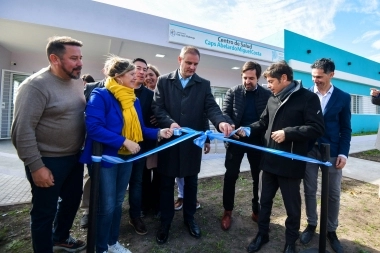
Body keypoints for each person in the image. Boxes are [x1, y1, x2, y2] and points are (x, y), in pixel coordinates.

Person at [80, 55, 172, 253]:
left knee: (117, 203)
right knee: (106, 206)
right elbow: (94, 127)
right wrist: (123, 141)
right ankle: (101, 246)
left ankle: (112, 243)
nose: (137, 76)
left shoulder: (133, 99)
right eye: (132, 73)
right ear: (119, 76)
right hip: (106, 160)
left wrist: (158, 132)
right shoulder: (100, 95)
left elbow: (139, 128)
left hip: (127, 159)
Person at [11, 36, 87, 253]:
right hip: (47, 161)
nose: (80, 63)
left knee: (72, 201)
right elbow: (22, 131)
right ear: (54, 58)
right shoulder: (35, 86)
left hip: (73, 158)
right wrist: (36, 166)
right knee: (44, 212)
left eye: (80, 57)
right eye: (73, 58)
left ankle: (60, 238)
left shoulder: (74, 81)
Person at [152, 45, 233, 244]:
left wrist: (220, 121)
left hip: (190, 145)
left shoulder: (203, 84)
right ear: (179, 60)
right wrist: (169, 123)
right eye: (188, 63)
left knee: (191, 185)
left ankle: (189, 219)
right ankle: (166, 222)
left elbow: (211, 108)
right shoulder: (163, 81)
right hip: (170, 144)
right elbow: (157, 107)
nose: (192, 67)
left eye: (196, 64)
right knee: (165, 186)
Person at [243, 61, 325, 253]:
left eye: (271, 81)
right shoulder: (273, 98)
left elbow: (317, 127)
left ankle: (290, 243)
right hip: (269, 161)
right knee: (264, 201)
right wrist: (246, 130)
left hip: (291, 163)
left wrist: (288, 133)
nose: (269, 85)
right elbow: (263, 121)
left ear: (285, 78)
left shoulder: (308, 98)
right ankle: (262, 234)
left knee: (292, 207)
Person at [300, 58, 351, 253]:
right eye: (313, 76)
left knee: (333, 193)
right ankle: (311, 224)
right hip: (309, 150)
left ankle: (331, 230)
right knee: (309, 189)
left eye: (320, 76)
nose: (315, 80)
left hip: (332, 152)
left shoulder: (343, 98)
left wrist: (343, 154)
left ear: (331, 75)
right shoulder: (305, 95)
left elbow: (346, 129)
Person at [220, 61, 271, 231]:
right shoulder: (233, 92)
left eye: (251, 78)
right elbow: (225, 113)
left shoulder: (266, 94)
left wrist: (253, 131)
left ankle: (256, 211)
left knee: (258, 177)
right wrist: (231, 128)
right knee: (230, 176)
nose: (247, 81)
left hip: (256, 141)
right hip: (235, 140)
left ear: (257, 78)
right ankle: (227, 211)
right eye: (245, 78)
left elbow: (267, 119)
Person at [127, 57, 157, 235]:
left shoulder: (149, 95)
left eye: (144, 69)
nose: (141, 72)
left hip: (142, 145)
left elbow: (156, 113)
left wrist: (157, 120)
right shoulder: (120, 91)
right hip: (119, 146)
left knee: (138, 181)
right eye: (137, 68)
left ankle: (135, 215)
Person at [79, 73, 106, 229]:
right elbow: (81, 114)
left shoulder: (125, 90)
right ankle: (88, 211)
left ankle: (103, 211)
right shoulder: (91, 88)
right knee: (92, 178)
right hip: (94, 143)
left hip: (112, 146)